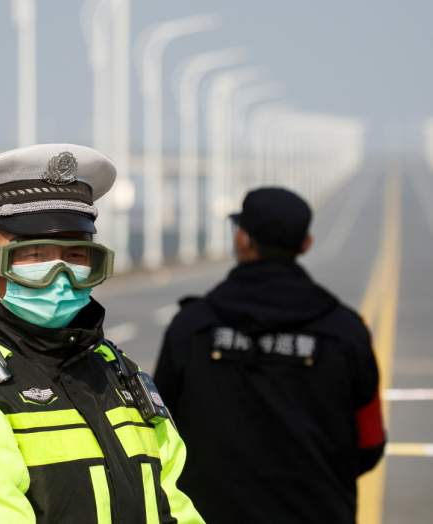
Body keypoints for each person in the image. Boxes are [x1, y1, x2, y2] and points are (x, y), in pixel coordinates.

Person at [0, 144, 203, 524]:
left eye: (77, 257)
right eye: (34, 256)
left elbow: (176, 505)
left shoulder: (117, 374)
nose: (60, 276)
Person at [154, 187, 386, 524]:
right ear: (306, 244)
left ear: (243, 240)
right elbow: (370, 443)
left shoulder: (192, 327)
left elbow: (161, 433)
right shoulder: (345, 332)